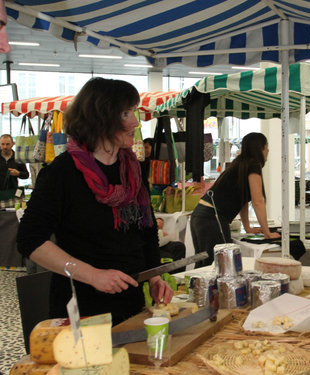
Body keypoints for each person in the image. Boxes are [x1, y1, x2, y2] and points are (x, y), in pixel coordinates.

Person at [17, 78, 173, 325]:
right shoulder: (62, 173)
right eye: (125, 113)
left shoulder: (132, 169)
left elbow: (146, 229)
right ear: (101, 118)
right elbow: (30, 240)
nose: (135, 121)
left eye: (133, 111)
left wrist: (154, 277)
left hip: (130, 306)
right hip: (81, 309)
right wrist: (93, 275)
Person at [190, 132, 280, 266]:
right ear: (260, 148)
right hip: (212, 218)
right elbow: (258, 201)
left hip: (202, 215)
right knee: (220, 266)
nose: (268, 151)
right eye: (266, 147)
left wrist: (247, 227)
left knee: (205, 265)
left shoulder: (240, 163)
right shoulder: (253, 164)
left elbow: (242, 200)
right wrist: (267, 233)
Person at [0, 134, 29, 207]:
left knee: (12, 216)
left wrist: (18, 173)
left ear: (12, 144)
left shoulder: (18, 157)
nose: (5, 147)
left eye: (7, 144)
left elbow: (26, 175)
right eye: (2, 144)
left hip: (12, 195)